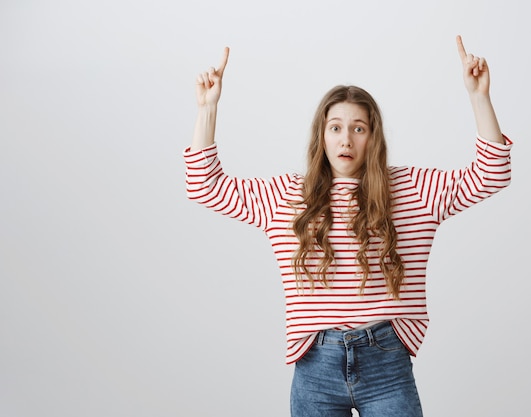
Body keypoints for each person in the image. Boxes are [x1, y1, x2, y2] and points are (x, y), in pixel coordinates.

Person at [183, 35, 512, 417]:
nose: (346, 139)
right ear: (321, 136)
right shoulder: (287, 196)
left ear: (373, 137)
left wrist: (479, 97)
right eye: (335, 127)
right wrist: (208, 109)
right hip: (314, 369)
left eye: (359, 128)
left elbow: (492, 174)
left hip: (387, 362)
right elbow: (205, 187)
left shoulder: (410, 190)